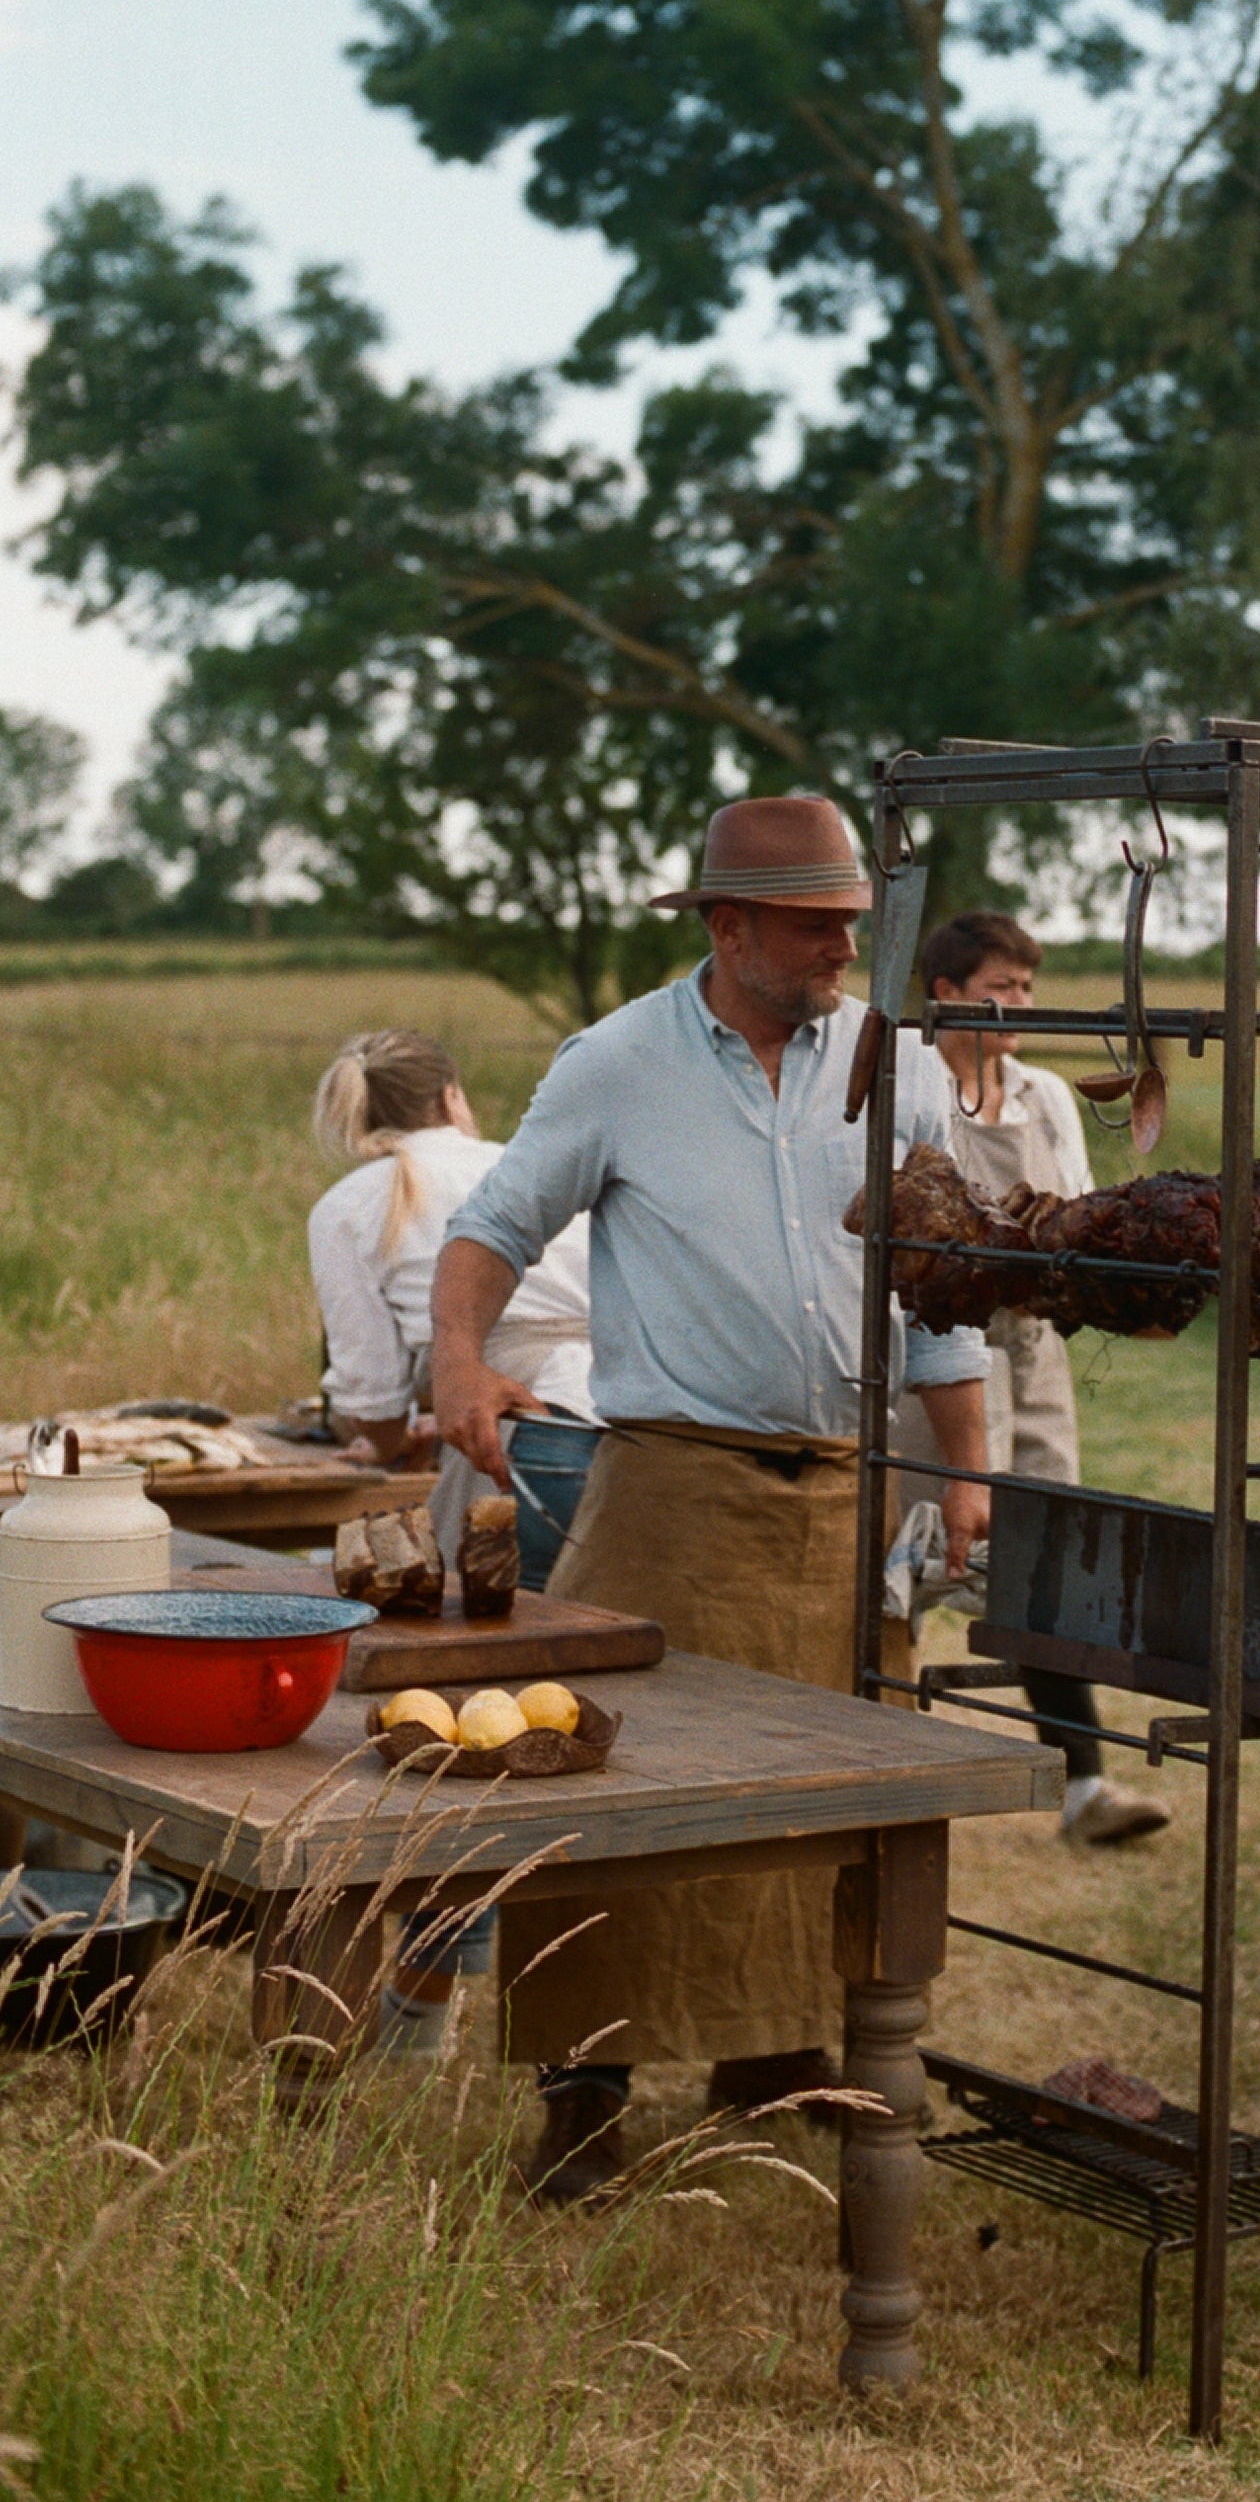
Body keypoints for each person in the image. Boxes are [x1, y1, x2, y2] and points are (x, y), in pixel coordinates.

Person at [430, 793, 990, 2202]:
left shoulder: (896, 1064)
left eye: (852, 922)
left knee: (839, 1801)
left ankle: (785, 2054)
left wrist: (969, 1469)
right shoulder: (617, 1062)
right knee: (615, 1787)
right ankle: (583, 2098)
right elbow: (494, 1224)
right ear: (727, 926)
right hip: (672, 1491)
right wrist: (457, 1360)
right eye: (813, 925)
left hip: (851, 1495)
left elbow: (942, 1286)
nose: (842, 948)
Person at [307, 1028, 598, 2054]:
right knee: (586, 1727)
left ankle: (421, 2010)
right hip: (623, 1434)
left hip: (512, 1455)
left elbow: (373, 1406)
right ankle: (574, 2025)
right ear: (453, 1097)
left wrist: (385, 1431)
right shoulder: (527, 1160)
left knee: (465, 1730)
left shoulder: (355, 1204)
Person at [899, 912, 1171, 1847]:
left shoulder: (1046, 1095)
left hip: (1039, 1351)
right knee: (909, 1564)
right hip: (935, 1355)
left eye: (1026, 986)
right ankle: (879, 1763)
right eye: (1001, 987)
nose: (1020, 1002)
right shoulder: (911, 1087)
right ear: (945, 994)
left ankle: (1084, 1786)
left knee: (1049, 1564)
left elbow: (1079, 1211)